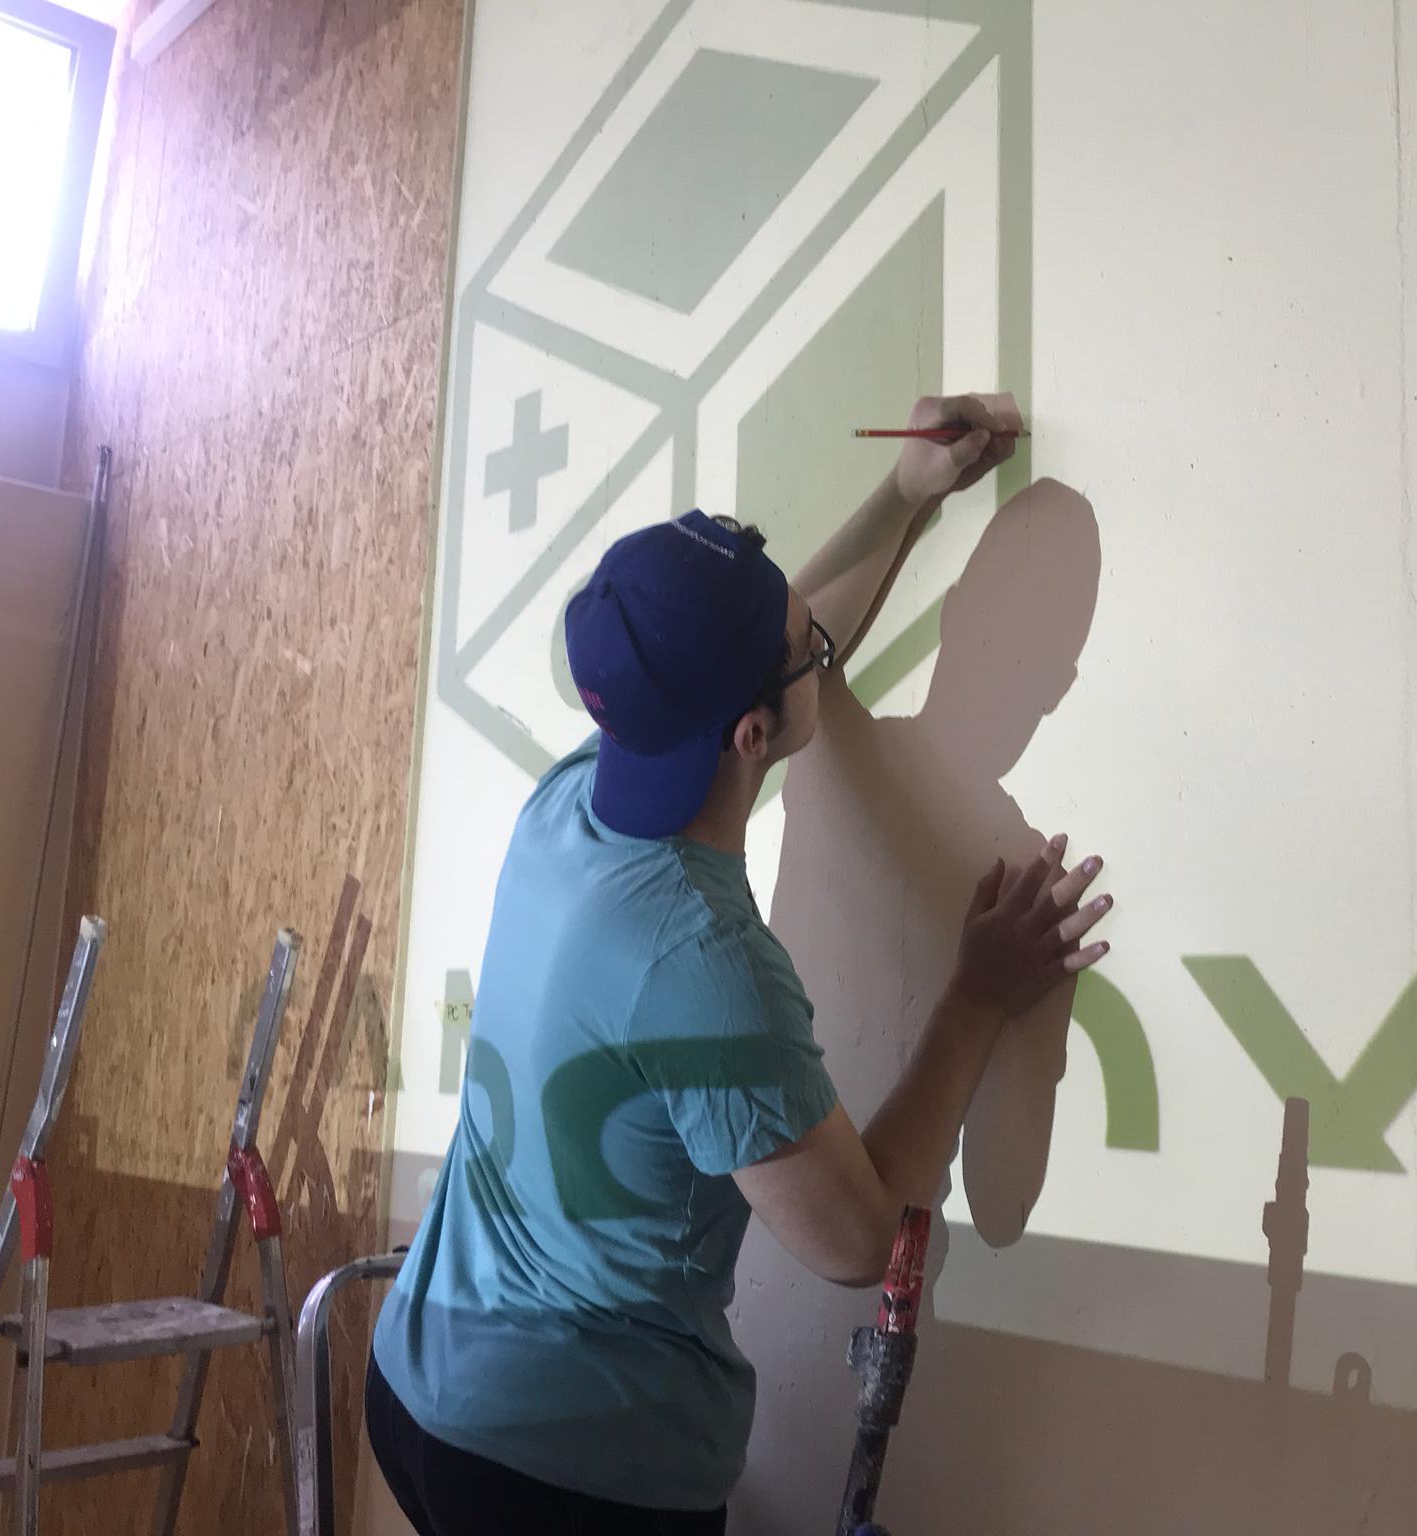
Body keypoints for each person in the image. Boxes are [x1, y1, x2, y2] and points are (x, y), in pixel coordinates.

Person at [366, 392, 1115, 1535]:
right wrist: (976, 997)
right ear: (753, 735)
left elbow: (747, 662)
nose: (819, 645)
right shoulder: (704, 964)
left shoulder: (574, 800)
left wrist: (904, 496)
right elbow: (857, 1240)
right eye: (805, 652)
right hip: (565, 1474)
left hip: (420, 1387)